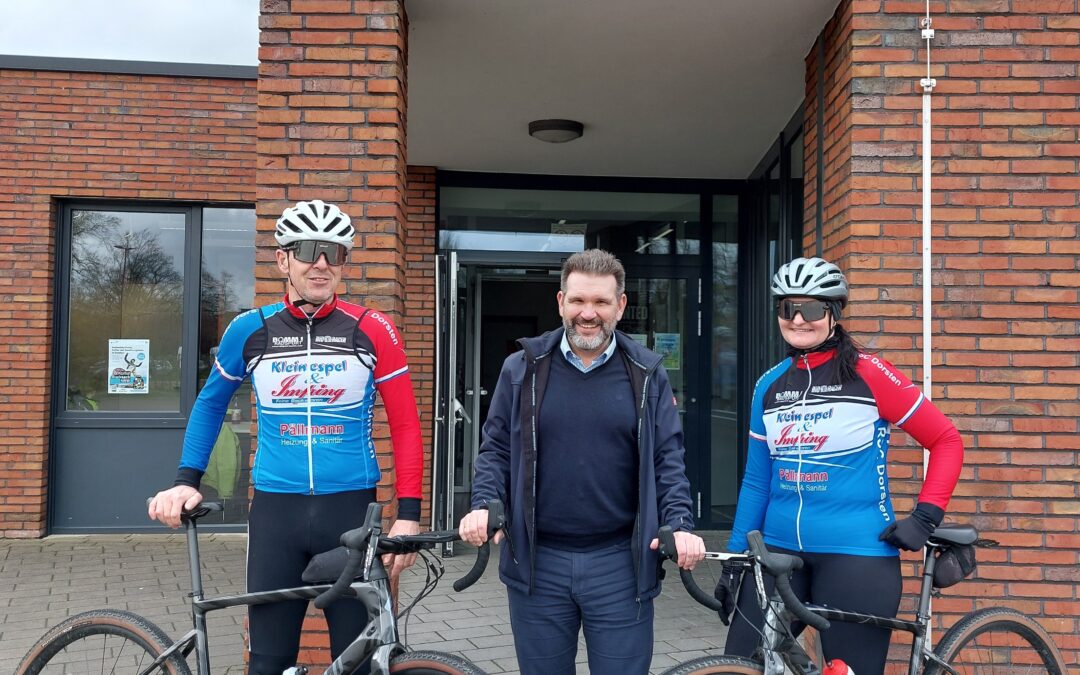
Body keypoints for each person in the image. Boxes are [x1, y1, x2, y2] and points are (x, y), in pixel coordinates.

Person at [148, 200, 423, 674]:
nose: (320, 263)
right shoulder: (249, 330)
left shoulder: (372, 328)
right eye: (307, 250)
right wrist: (185, 479)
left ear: (343, 263)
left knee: (359, 663)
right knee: (268, 663)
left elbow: (405, 422)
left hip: (352, 512)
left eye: (334, 253)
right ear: (282, 259)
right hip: (277, 514)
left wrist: (410, 516)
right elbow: (211, 403)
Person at [458, 249, 706, 675]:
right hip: (539, 564)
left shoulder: (647, 373)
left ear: (620, 305)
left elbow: (668, 459)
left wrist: (680, 525)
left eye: (601, 302)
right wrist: (484, 502)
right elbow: (496, 447)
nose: (588, 313)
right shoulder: (521, 368)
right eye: (578, 301)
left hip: (620, 566)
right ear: (560, 302)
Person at [715, 256, 964, 675]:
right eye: (787, 308)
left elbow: (946, 440)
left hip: (856, 556)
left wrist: (925, 517)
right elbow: (757, 480)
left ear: (833, 313)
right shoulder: (768, 385)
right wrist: (736, 558)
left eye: (811, 308)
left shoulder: (870, 375)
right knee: (738, 665)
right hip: (777, 552)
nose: (798, 319)